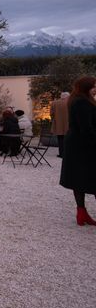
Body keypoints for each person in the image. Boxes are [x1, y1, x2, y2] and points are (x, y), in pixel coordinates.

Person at [59, 76, 96, 226]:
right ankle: (81, 213)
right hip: (83, 145)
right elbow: (86, 128)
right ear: (86, 87)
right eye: (93, 86)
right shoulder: (82, 102)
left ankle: (82, 213)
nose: (95, 89)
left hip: (76, 143)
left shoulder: (77, 100)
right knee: (87, 178)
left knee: (79, 179)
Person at [51, 92, 70, 158]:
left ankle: (61, 153)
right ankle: (68, 153)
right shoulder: (70, 102)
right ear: (67, 97)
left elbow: (51, 114)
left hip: (58, 124)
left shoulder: (54, 103)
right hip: (68, 124)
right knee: (68, 140)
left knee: (60, 140)